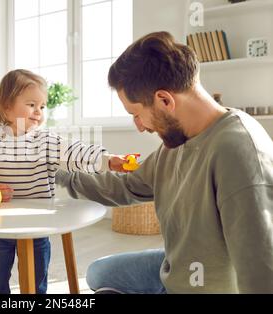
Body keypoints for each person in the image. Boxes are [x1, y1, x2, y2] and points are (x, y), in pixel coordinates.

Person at [55, 31, 273, 293]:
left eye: (136, 114)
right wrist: (57, 174)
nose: (139, 127)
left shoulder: (238, 152)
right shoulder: (178, 142)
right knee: (97, 273)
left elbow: (262, 272)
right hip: (180, 267)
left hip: (203, 286)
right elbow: (126, 187)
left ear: (164, 100)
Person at [0, 69, 128, 294]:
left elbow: (76, 153)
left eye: (42, 106)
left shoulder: (47, 141)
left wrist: (107, 160)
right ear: (7, 107)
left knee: (36, 278)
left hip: (37, 225)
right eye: (31, 104)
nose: (38, 112)